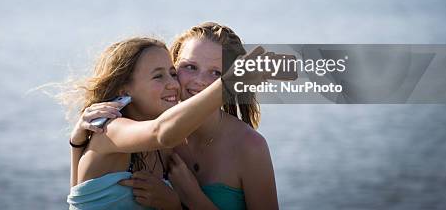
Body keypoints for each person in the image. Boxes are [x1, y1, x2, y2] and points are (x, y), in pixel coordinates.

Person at [72, 23, 292, 209]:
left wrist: (189, 202)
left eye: (216, 73)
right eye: (189, 67)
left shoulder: (250, 146)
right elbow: (81, 196)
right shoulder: (149, 139)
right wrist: (77, 144)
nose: (201, 81)